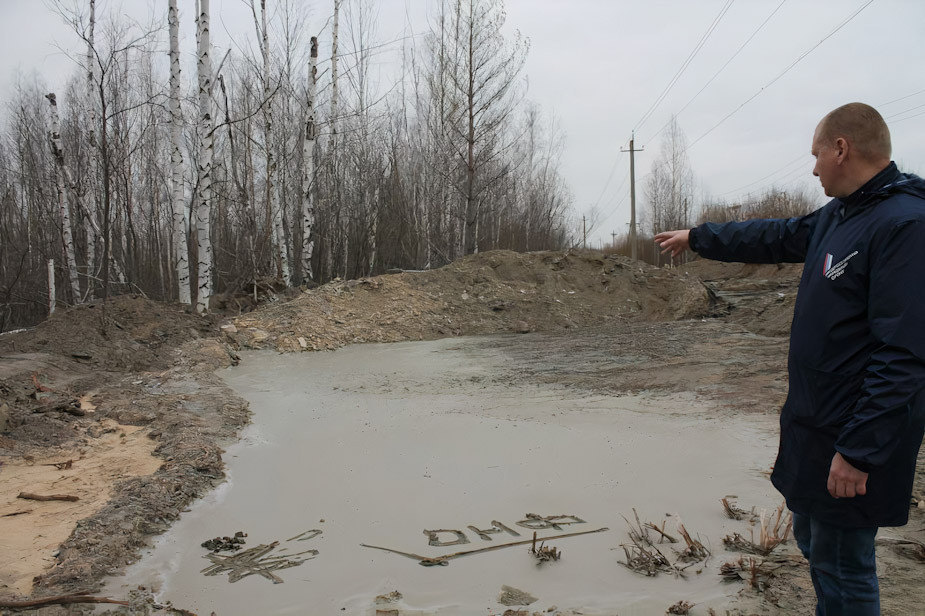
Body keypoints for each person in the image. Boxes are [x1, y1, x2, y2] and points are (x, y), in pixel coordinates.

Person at [654, 102, 925, 615]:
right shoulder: (842, 214)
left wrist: (860, 451)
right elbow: (774, 235)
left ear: (841, 148)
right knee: (815, 542)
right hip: (817, 423)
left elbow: (905, 356)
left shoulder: (903, 226)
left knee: (845, 564)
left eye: (817, 154)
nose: (814, 166)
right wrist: (699, 237)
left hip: (854, 432)